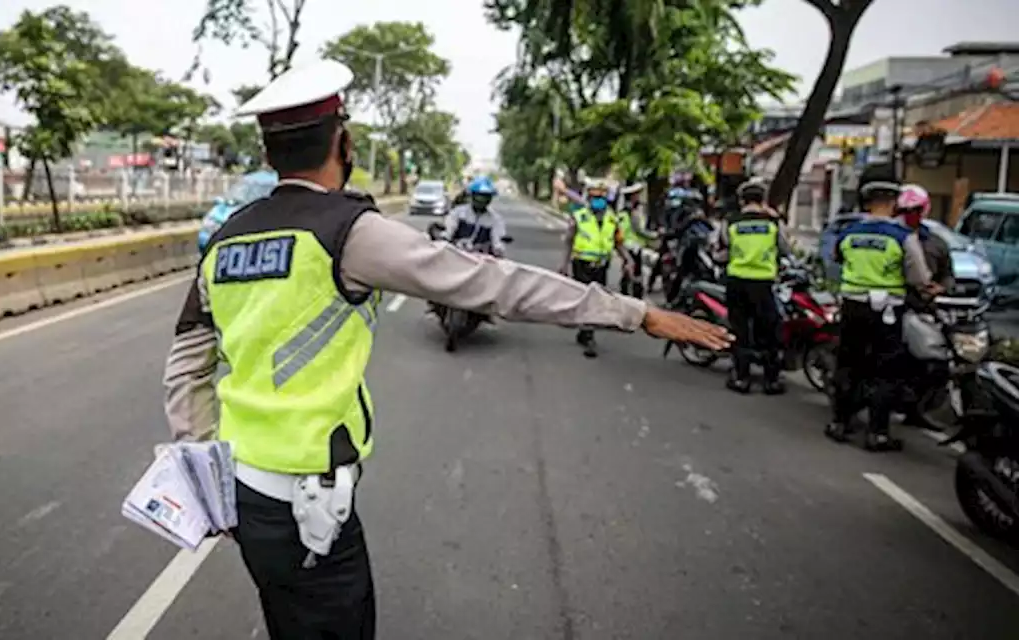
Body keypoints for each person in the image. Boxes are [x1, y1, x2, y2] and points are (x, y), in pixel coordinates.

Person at [161, 59, 730, 640]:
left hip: (245, 494)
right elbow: (497, 284)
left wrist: (207, 473)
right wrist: (637, 313)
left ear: (266, 154)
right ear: (344, 141)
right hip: (309, 506)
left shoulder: (227, 239)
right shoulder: (348, 232)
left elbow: (186, 366)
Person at [825, 165, 935, 452]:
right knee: (885, 372)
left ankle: (840, 423)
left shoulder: (849, 233)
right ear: (894, 201)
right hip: (887, 311)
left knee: (849, 365)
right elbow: (919, 278)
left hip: (852, 307)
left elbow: (837, 260)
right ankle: (877, 433)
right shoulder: (902, 236)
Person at [713, 178, 792, 395]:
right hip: (763, 283)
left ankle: (742, 377)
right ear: (763, 199)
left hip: (737, 281)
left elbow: (723, 248)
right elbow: (785, 249)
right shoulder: (773, 222)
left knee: (740, 329)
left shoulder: (731, 221)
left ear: (741, 200)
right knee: (769, 330)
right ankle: (771, 380)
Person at [561, 179, 633, 358]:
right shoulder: (579, 216)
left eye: (600, 197)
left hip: (602, 265)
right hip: (582, 263)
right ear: (588, 198)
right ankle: (589, 337)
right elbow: (569, 240)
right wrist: (564, 263)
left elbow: (618, 243)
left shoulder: (612, 219)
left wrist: (628, 260)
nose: (597, 201)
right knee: (589, 300)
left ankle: (584, 332)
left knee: (597, 299)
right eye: (594, 197)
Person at [442, 176, 508, 257]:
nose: (481, 200)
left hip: (482, 260)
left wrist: (497, 248)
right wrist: (445, 238)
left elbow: (497, 242)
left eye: (485, 197)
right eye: (479, 196)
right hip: (456, 255)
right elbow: (448, 231)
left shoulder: (495, 219)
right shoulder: (458, 213)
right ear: (472, 196)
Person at [616, 183, 656, 298]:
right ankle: (635, 298)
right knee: (635, 274)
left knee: (627, 271)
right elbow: (639, 230)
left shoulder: (624, 211)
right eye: (637, 195)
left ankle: (625, 294)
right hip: (633, 246)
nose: (639, 197)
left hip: (626, 245)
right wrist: (654, 236)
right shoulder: (632, 212)